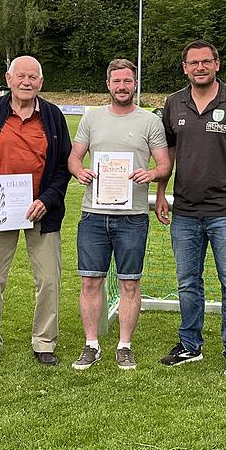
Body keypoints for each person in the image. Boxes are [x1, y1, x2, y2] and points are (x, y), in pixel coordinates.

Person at [155, 39, 226, 377]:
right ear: (184, 68)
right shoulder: (174, 103)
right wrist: (161, 192)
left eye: (205, 61)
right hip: (185, 210)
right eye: (193, 63)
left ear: (217, 64)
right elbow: (166, 155)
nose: (199, 67)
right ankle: (190, 345)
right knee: (187, 281)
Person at [68, 59, 172, 370]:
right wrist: (79, 172)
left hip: (132, 216)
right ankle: (92, 344)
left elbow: (165, 164)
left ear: (135, 84)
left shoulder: (149, 122)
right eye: (117, 81)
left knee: (129, 283)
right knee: (90, 281)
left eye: (127, 81)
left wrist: (151, 174)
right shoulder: (92, 118)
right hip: (93, 215)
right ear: (108, 84)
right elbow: (74, 157)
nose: (122, 86)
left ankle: (124, 345)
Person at [0, 55, 71, 369]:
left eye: (33, 78)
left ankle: (44, 342)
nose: (26, 82)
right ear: (8, 79)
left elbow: (63, 168)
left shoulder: (53, 116)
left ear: (41, 82)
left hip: (41, 212)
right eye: (20, 76)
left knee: (49, 280)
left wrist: (48, 200)